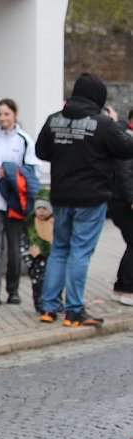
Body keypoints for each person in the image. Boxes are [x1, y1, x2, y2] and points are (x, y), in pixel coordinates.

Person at [35, 73, 133, 326]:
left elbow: (41, 151)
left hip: (61, 195)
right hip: (91, 198)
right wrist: (116, 124)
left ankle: (48, 308)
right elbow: (126, 149)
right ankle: (74, 310)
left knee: (59, 250)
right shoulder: (103, 124)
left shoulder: (53, 120)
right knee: (80, 253)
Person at [0, 99, 41, 307]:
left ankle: (12, 290)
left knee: (14, 247)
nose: (3, 118)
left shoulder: (24, 140)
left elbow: (32, 171)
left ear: (14, 114)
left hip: (15, 201)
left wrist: (12, 172)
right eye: (0, 114)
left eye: (6, 114)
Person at [108, 110, 133, 306]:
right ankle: (127, 289)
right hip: (122, 201)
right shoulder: (126, 139)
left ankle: (120, 287)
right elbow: (125, 174)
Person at [21, 187, 53, 313]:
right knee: (37, 285)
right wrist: (27, 258)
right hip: (36, 262)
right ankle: (39, 304)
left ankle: (54, 302)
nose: (41, 212)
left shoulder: (54, 223)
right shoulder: (30, 223)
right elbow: (24, 241)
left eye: (45, 208)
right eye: (39, 208)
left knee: (53, 283)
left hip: (51, 260)